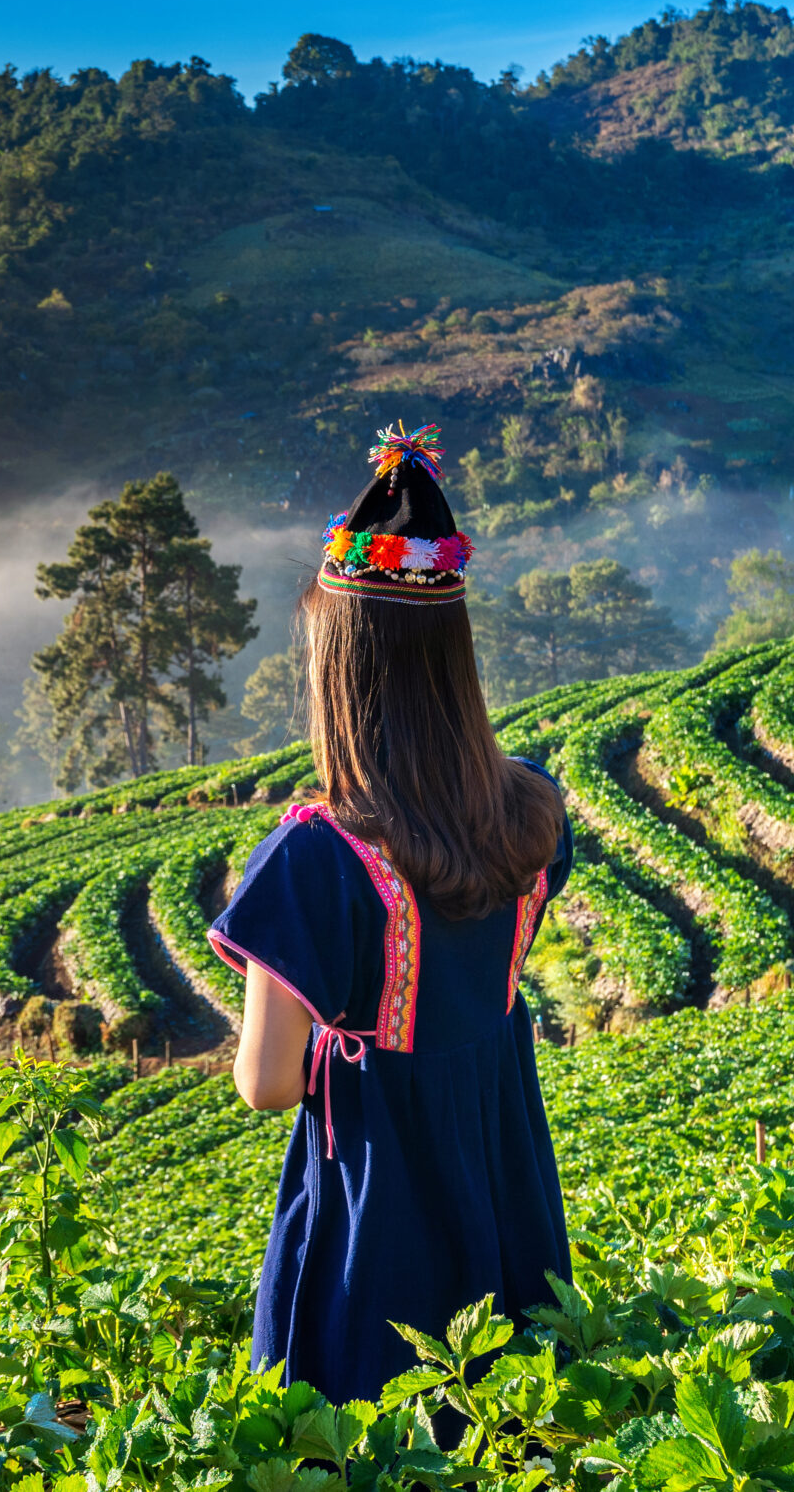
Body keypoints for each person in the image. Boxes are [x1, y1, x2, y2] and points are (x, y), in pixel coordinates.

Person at [209, 421, 574, 1405]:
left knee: (376, 1414)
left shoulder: (315, 857)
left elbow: (268, 1086)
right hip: (500, 1161)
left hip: (381, 1197)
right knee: (512, 1404)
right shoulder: (530, 805)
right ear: (454, 658)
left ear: (339, 668)